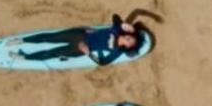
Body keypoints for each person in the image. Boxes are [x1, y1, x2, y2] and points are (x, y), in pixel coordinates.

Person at [17, 14, 146, 65]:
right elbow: (115, 17)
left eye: (130, 42)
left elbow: (103, 62)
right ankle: (23, 40)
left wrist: (88, 53)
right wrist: (127, 25)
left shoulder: (117, 50)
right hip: (80, 35)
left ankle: (26, 57)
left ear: (128, 47)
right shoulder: (117, 29)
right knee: (50, 37)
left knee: (51, 53)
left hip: (80, 49)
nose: (129, 39)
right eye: (131, 38)